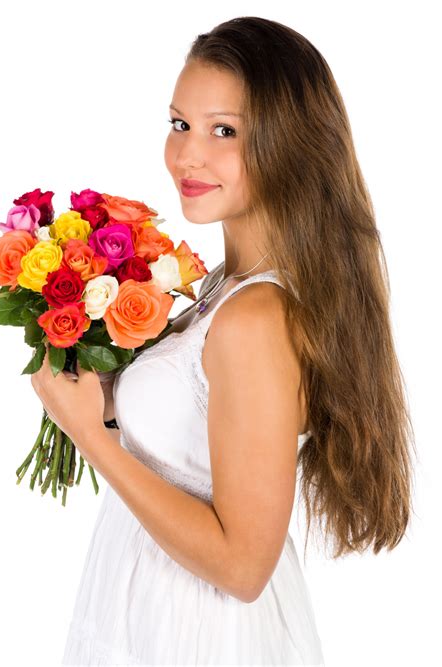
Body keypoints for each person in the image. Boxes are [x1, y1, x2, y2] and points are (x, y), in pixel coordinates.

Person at [32, 16, 415, 666]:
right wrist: (110, 400)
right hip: (151, 603)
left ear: (290, 145)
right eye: (180, 123)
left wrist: (90, 439)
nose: (188, 155)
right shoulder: (220, 285)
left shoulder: (254, 316)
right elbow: (195, 446)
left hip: (198, 632)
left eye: (224, 131)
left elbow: (243, 565)